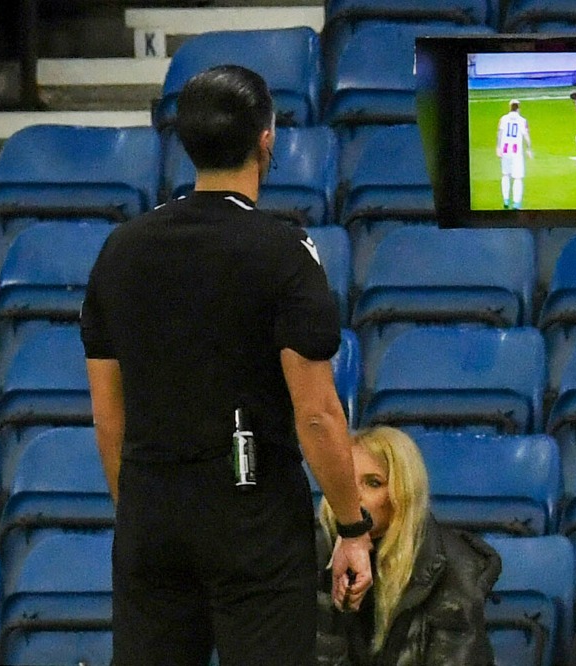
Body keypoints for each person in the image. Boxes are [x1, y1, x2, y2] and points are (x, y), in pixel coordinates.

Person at [80, 64, 374, 666]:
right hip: (254, 519)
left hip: (152, 514)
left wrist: (138, 513)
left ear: (185, 143)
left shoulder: (121, 249)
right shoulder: (285, 253)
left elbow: (109, 415)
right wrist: (351, 528)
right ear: (267, 139)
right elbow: (316, 414)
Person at [316, 426, 502, 665]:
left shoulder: (454, 567)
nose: (354, 496)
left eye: (373, 483)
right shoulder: (315, 553)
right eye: (346, 482)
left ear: (402, 493)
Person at [496, 99, 533, 210]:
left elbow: (499, 133)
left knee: (505, 175)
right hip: (516, 151)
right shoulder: (522, 120)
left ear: (510, 107)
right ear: (519, 108)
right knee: (517, 178)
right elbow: (526, 136)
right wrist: (529, 149)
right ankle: (516, 204)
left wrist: (498, 147)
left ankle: (506, 200)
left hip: (505, 150)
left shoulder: (503, 118)